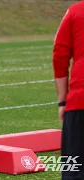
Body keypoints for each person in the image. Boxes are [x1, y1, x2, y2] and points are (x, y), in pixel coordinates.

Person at [53, 1, 84, 179]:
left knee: (74, 170)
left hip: (79, 102)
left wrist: (63, 101)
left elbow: (60, 54)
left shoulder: (75, 10)